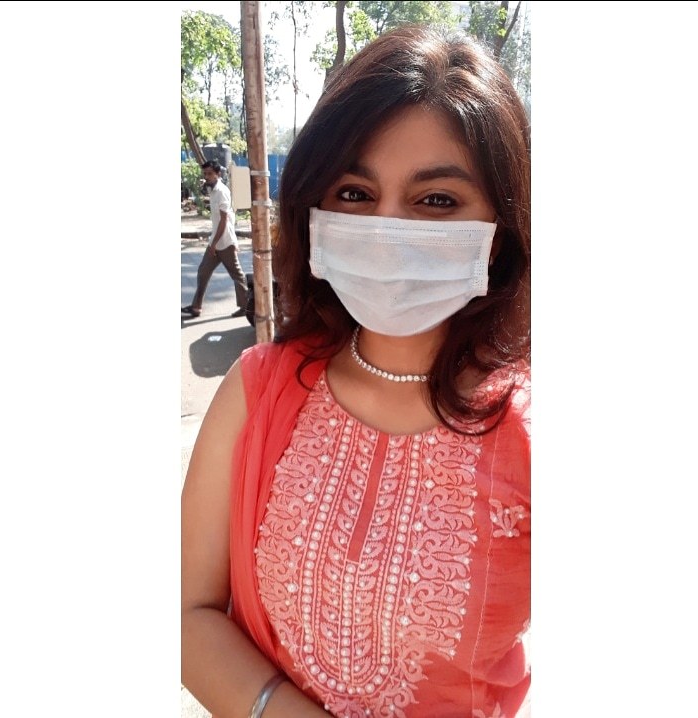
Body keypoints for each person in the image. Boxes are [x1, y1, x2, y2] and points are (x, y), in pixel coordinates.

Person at [182, 23, 530, 718]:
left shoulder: (533, 429)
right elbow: (185, 613)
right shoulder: (257, 391)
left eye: (437, 200)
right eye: (353, 193)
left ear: (499, 234)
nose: (387, 232)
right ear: (314, 211)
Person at [182, 159, 249, 319]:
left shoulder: (222, 191)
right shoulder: (212, 190)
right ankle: (196, 307)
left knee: (237, 275)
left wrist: (214, 244)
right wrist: (213, 243)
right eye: (205, 174)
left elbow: (224, 221)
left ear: (218, 174)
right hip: (216, 241)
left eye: (210, 174)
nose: (207, 177)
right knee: (203, 272)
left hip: (225, 242)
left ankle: (247, 306)